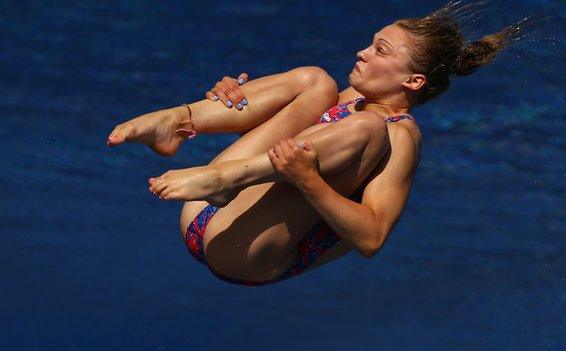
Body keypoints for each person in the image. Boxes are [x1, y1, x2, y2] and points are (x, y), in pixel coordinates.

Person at [107, 1, 530, 286]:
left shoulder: (399, 135)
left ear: (412, 81)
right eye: (370, 43)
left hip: (245, 254)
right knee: (315, 80)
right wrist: (236, 103)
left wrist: (309, 180)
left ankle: (224, 179)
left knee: (367, 128)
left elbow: (371, 238)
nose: (362, 53)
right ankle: (179, 122)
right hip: (214, 212)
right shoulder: (347, 99)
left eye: (379, 50)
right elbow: (275, 161)